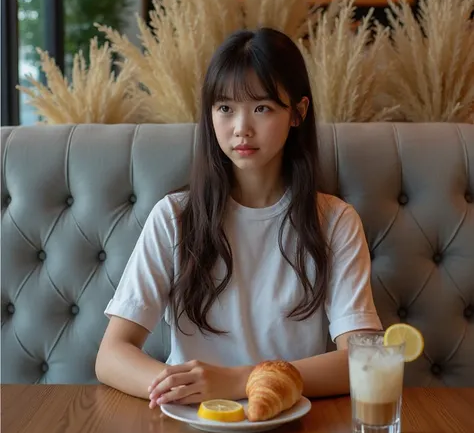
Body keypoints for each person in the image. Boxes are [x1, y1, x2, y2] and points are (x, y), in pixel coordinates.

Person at [95, 27, 382, 409]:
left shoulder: (335, 221)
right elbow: (111, 354)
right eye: (225, 108)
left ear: (298, 113)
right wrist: (183, 386)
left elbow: (363, 361)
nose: (240, 128)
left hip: (290, 423)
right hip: (189, 423)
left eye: (261, 108)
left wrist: (235, 381)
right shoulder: (175, 217)